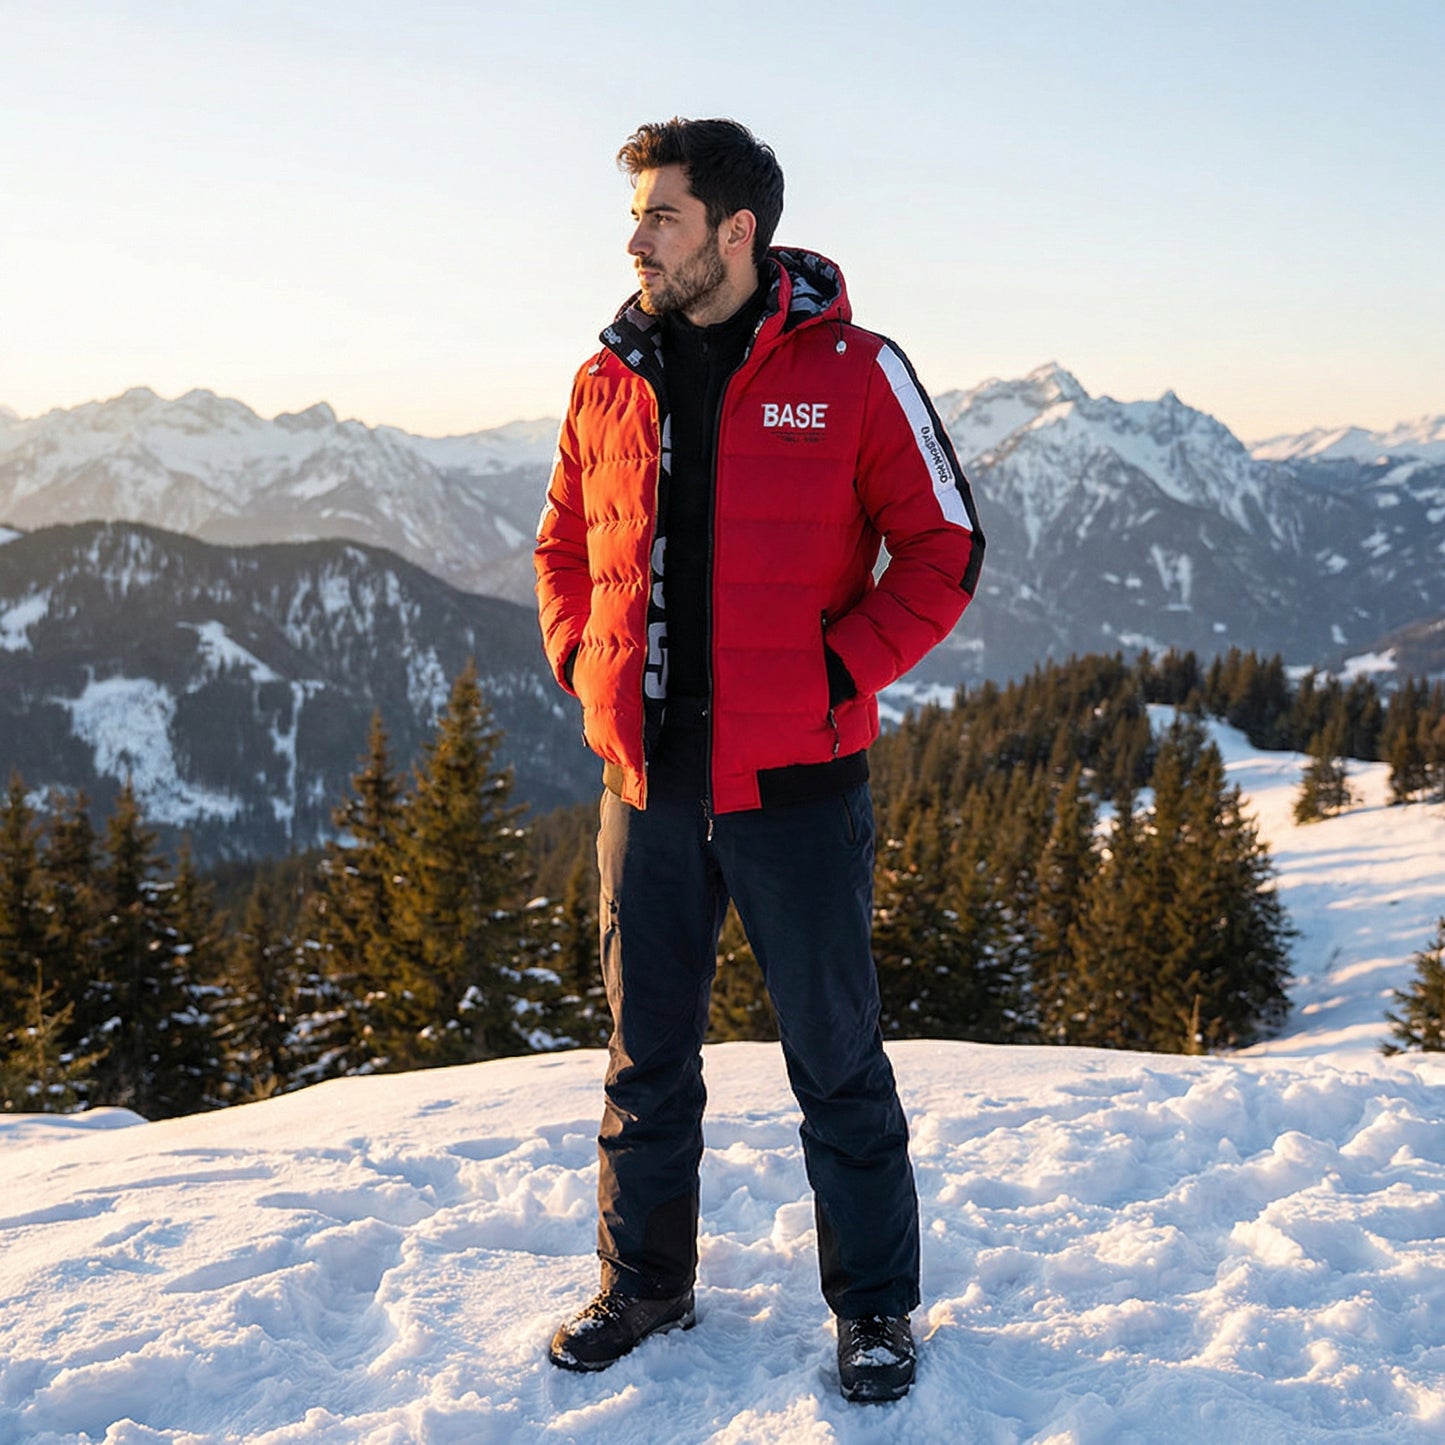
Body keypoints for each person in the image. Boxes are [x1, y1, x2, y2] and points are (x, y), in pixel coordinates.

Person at [533, 116, 983, 1403]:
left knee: (836, 1061)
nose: (635, 242)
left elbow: (944, 545)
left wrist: (838, 669)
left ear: (735, 230)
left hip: (794, 784)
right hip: (646, 785)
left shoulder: (853, 368)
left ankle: (876, 1309)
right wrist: (582, 662)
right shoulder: (604, 377)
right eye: (634, 218)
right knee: (643, 1059)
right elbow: (560, 546)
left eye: (659, 217)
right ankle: (643, 1283)